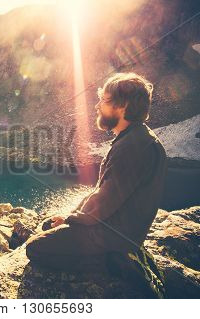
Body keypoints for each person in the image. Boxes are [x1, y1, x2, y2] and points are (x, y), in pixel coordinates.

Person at [25, 72, 167, 270]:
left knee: (36, 248)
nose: (97, 105)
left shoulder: (132, 147)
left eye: (103, 100)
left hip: (115, 236)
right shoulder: (136, 137)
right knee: (49, 225)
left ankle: (109, 263)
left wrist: (71, 221)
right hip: (119, 229)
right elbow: (105, 192)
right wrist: (71, 216)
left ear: (122, 105)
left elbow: (106, 199)